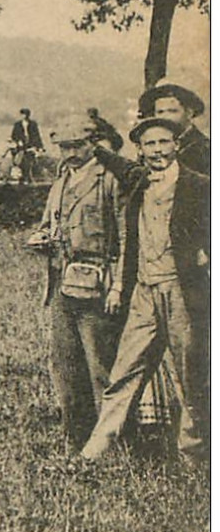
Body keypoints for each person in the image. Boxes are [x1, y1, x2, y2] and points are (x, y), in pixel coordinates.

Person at [80, 117, 210, 465]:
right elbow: (117, 162)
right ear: (140, 149)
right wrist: (92, 145)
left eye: (164, 143)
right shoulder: (138, 183)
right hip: (144, 293)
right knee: (125, 370)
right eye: (149, 144)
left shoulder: (200, 186)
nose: (157, 151)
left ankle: (194, 456)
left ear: (176, 146)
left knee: (190, 375)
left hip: (182, 293)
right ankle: (97, 451)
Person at [27, 114, 124, 453]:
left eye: (75, 146)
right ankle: (74, 436)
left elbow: (127, 240)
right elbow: (48, 224)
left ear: (93, 143)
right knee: (65, 363)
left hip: (99, 284)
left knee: (100, 365)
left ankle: (109, 443)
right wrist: (41, 238)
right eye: (63, 147)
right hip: (61, 282)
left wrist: (118, 287)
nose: (68, 153)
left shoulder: (109, 179)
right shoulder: (61, 181)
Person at [138, 79, 210, 176]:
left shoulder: (204, 148)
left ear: (189, 113)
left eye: (172, 111)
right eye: (160, 112)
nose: (165, 117)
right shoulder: (148, 145)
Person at [11, 108, 44, 183]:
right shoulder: (17, 124)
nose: (24, 116)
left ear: (28, 115)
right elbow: (14, 136)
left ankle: (29, 176)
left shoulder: (33, 124)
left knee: (30, 159)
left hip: (30, 145)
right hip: (20, 146)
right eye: (22, 114)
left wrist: (40, 146)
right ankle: (20, 177)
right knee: (19, 159)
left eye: (25, 114)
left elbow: (37, 136)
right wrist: (18, 141)